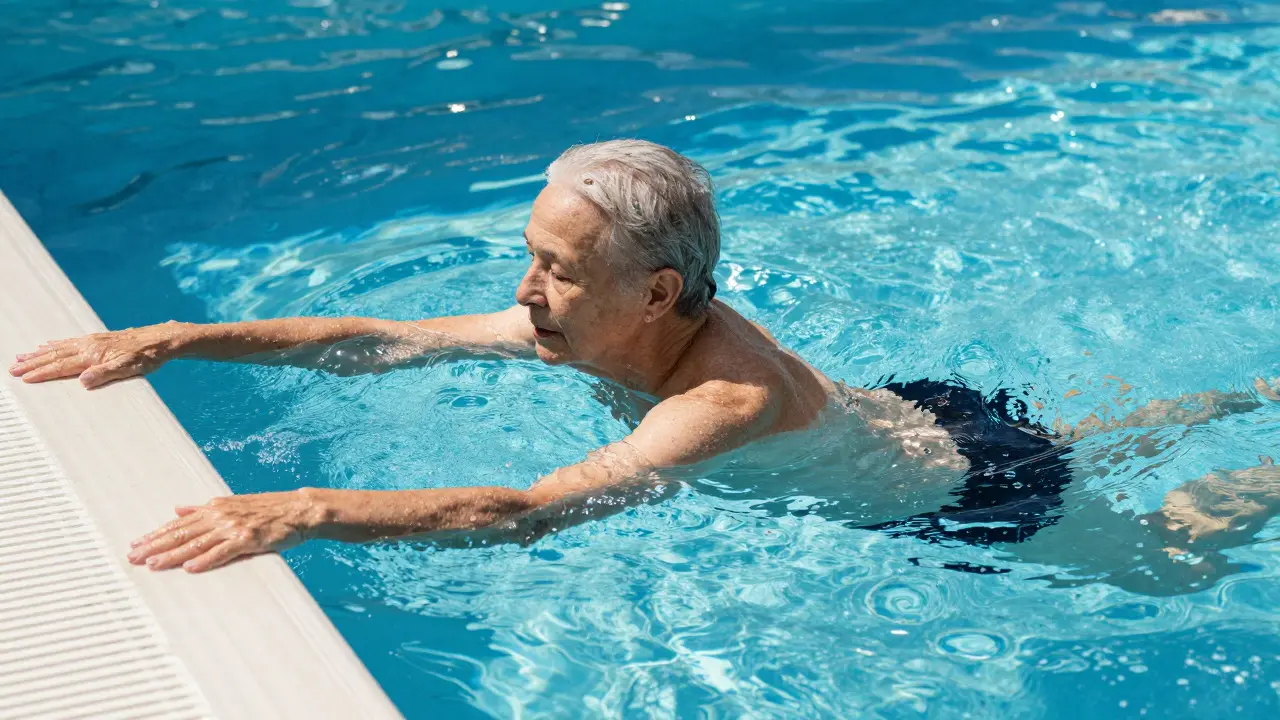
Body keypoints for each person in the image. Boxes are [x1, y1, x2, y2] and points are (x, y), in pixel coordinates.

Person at [9, 140, 1279, 584]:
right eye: (531, 257)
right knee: (1103, 428)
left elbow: (517, 515)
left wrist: (310, 509)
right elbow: (377, 337)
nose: (524, 292)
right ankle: (1247, 388)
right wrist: (176, 337)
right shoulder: (600, 320)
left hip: (974, 497)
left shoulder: (716, 401)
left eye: (555, 269)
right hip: (921, 418)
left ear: (654, 290)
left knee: (1162, 564)